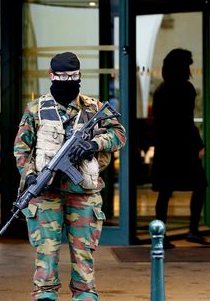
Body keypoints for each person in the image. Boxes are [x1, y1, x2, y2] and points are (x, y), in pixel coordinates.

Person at [13, 52, 126, 301]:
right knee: (46, 252)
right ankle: (45, 295)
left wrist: (95, 144)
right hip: (46, 195)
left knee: (83, 251)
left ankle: (85, 295)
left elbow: (119, 135)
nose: (69, 81)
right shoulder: (36, 109)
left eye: (74, 76)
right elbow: (21, 149)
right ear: (51, 76)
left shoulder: (93, 107)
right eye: (63, 76)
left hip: (83, 194)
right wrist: (30, 176)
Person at [151, 48, 210, 248]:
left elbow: (161, 122)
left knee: (165, 192)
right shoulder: (186, 89)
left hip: (166, 147)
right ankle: (193, 230)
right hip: (183, 147)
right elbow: (186, 121)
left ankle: (161, 234)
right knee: (200, 186)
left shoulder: (161, 90)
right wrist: (198, 144)